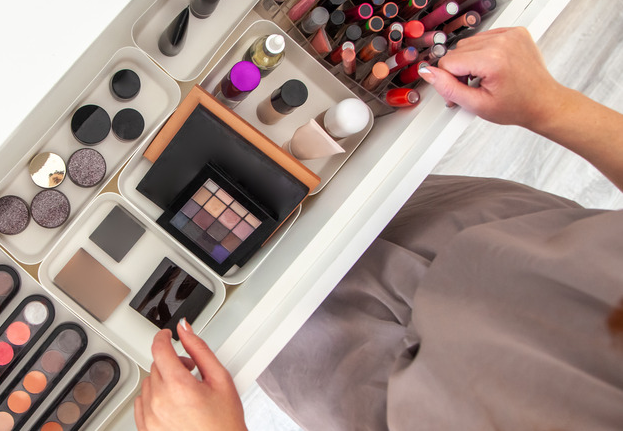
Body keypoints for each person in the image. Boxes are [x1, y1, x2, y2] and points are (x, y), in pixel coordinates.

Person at [134, 27, 623, 430]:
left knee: (230, 287)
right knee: (312, 197)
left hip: (364, 388)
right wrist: (554, 106)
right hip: (489, 233)